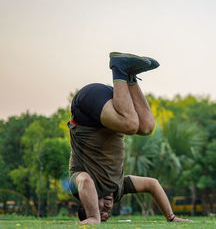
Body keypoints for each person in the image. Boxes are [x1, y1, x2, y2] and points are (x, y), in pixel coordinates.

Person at [67, 52, 192, 224]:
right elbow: (152, 184)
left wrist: (93, 217)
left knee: (130, 125)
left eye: (100, 207)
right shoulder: (118, 189)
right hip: (111, 109)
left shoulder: (77, 181)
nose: (107, 207)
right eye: (107, 212)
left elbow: (85, 182)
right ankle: (129, 75)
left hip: (86, 110)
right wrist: (171, 217)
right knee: (147, 127)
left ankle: (118, 68)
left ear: (85, 201)